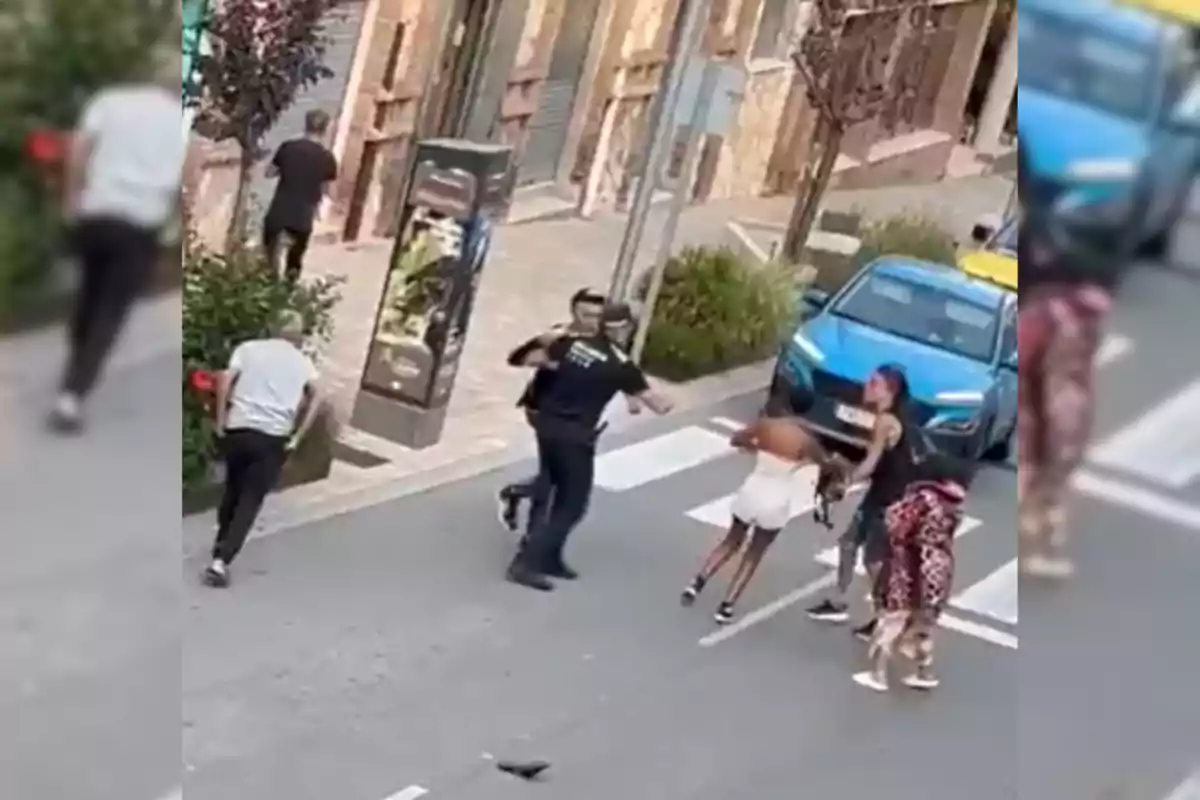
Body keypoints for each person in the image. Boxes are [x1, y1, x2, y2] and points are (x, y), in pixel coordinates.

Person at [51, 52, 185, 432]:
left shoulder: (109, 101)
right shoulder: (179, 123)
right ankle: (72, 393)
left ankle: (76, 362)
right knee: (111, 309)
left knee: (89, 295)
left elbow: (79, 150)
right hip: (140, 225)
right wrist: (173, 224)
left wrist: (71, 199)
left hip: (97, 213)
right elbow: (187, 174)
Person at [505, 312, 674, 591]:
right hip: (574, 437)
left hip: (545, 424)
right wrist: (659, 398)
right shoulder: (621, 365)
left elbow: (527, 359)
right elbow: (658, 405)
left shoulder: (572, 343)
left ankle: (550, 558)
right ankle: (525, 562)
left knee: (558, 490)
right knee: (573, 506)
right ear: (625, 328)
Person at [1018, 141, 1120, 579]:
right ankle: (1045, 531)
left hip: (1046, 358)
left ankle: (1040, 529)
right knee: (1057, 446)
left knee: (1041, 445)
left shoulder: (1040, 237)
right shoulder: (1083, 309)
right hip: (1065, 374)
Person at [681, 415, 851, 624]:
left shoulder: (767, 426)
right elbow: (826, 464)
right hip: (776, 501)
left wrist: (757, 446)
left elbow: (737, 439)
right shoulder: (806, 441)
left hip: (752, 490)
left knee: (731, 540)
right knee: (754, 554)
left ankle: (697, 583)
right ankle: (727, 606)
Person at [806, 364, 926, 640]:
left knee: (873, 560)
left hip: (891, 501)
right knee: (848, 542)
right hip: (880, 494)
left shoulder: (886, 421)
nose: (866, 386)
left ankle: (886, 615)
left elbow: (870, 463)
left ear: (890, 391)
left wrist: (844, 484)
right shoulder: (890, 417)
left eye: (874, 383)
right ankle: (838, 602)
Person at [203, 311, 323, 588]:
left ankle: (220, 544)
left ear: (273, 328)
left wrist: (221, 422)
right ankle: (221, 560)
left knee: (232, 489)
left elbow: (224, 381)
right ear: (298, 335)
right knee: (251, 499)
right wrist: (298, 436)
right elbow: (318, 395)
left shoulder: (248, 349)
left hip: (240, 429)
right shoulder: (304, 364)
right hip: (273, 438)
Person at [852, 453, 972, 693]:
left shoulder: (923, 498)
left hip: (911, 563)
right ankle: (923, 673)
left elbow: (896, 523)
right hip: (939, 566)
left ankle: (878, 674)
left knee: (894, 617)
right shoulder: (952, 503)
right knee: (923, 622)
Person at [497, 289, 607, 535]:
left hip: (576, 420)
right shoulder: (558, 338)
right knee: (551, 479)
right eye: (587, 315)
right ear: (575, 312)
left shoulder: (604, 342)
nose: (592, 321)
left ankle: (517, 495)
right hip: (545, 413)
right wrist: (545, 356)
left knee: (554, 477)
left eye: (598, 316)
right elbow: (517, 358)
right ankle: (531, 541)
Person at [263, 109, 339, 284]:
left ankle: (268, 286)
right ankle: (288, 291)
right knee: (295, 260)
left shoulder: (288, 147)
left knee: (269, 255)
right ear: (325, 129)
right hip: (302, 217)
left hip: (278, 212)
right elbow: (329, 190)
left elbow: (269, 172)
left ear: (305, 125)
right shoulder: (327, 158)